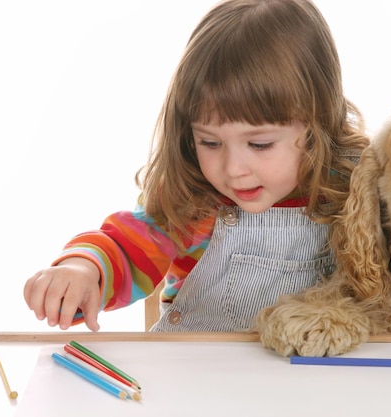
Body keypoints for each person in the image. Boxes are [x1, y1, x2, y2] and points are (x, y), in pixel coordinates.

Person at [23, 0, 369, 332]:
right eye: (210, 142)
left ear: (317, 123)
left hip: (311, 379)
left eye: (259, 144)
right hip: (195, 375)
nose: (233, 169)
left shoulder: (357, 185)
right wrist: (83, 269)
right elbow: (128, 248)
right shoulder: (194, 197)